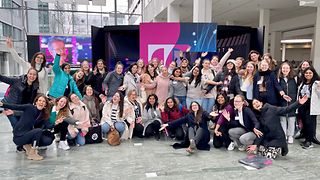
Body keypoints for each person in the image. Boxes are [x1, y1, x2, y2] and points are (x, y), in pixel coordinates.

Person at [0, 94, 52, 161]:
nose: (41, 103)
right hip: (19, 137)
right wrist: (3, 105)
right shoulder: (29, 107)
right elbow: (16, 106)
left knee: (42, 136)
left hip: (28, 135)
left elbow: (49, 125)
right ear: (36, 102)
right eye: (39, 100)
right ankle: (32, 153)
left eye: (43, 101)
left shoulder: (43, 114)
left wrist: (56, 123)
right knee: (38, 131)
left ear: (45, 104)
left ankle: (28, 146)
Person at [297, 67, 320, 148]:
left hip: (311, 105)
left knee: (309, 123)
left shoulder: (316, 83)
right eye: (306, 73)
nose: (308, 74)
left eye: (310, 73)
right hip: (302, 105)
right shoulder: (303, 82)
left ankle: (309, 141)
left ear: (313, 74)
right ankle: (307, 138)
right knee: (304, 123)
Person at [277, 62, 297, 144]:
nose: (285, 70)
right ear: (281, 69)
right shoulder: (278, 79)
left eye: (287, 68)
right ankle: (283, 135)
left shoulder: (294, 78)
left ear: (290, 69)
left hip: (292, 102)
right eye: (283, 68)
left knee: (291, 119)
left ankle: (290, 136)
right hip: (282, 102)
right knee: (282, 120)